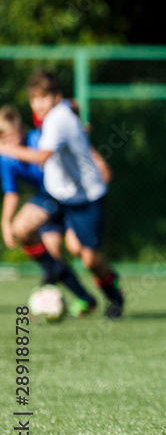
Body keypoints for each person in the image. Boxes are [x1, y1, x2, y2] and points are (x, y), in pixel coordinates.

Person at [0, 71, 125, 318]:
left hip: (85, 197)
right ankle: (67, 286)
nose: (38, 105)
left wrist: (5, 148)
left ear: (55, 97)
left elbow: (41, 156)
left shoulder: (57, 120)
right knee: (22, 228)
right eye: (34, 99)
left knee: (86, 256)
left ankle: (114, 293)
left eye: (44, 98)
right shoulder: (52, 113)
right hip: (56, 194)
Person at [0, 105, 99, 317]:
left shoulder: (38, 139)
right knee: (51, 258)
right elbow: (11, 193)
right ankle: (86, 298)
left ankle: (112, 291)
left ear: (21, 128)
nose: (12, 142)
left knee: (77, 249)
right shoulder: (6, 159)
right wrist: (5, 223)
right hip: (48, 203)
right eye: (6, 140)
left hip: (69, 197)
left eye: (15, 135)